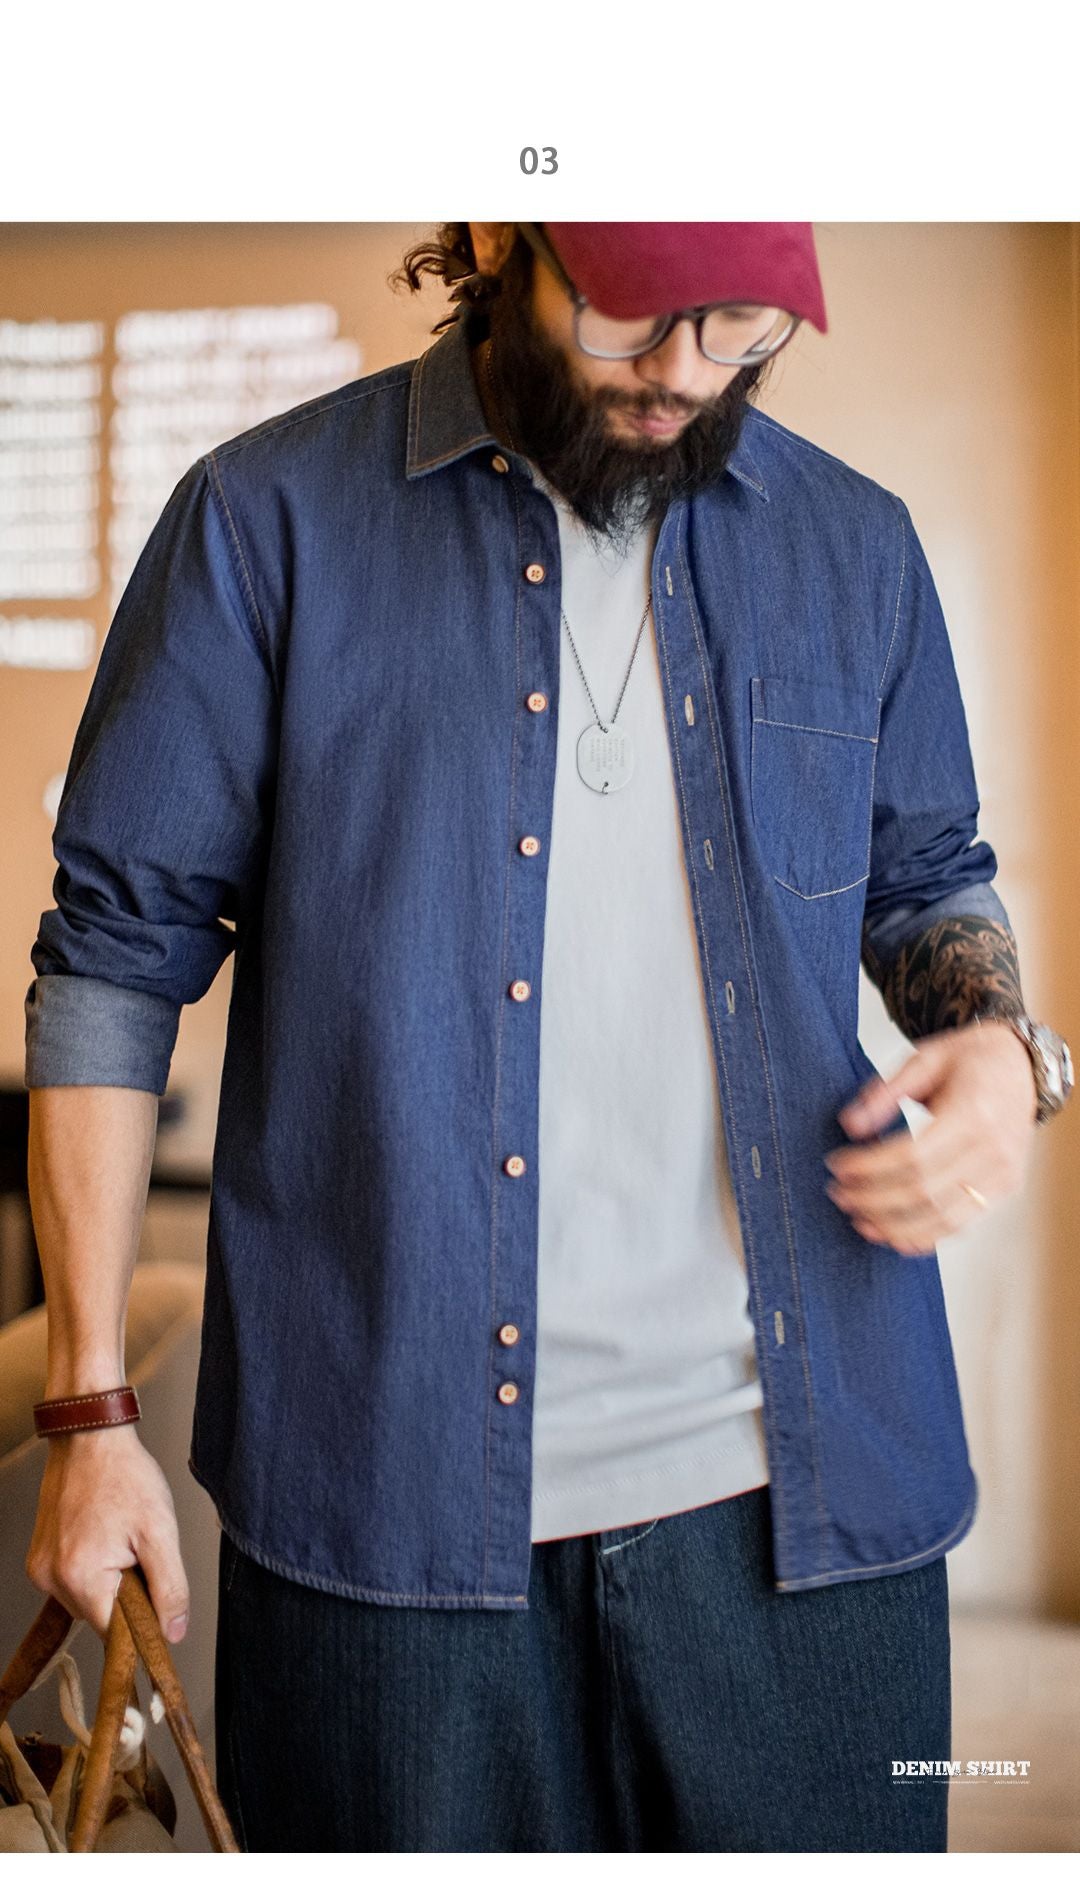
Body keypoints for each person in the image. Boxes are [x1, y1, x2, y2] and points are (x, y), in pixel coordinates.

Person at [21, 222, 1073, 1854]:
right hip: (380, 1516)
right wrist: (88, 1417)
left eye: (741, 328)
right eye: (633, 315)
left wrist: (1005, 1049)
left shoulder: (857, 546)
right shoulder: (263, 517)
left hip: (810, 1506)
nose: (683, 376)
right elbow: (112, 954)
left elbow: (931, 877)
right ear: (502, 238)